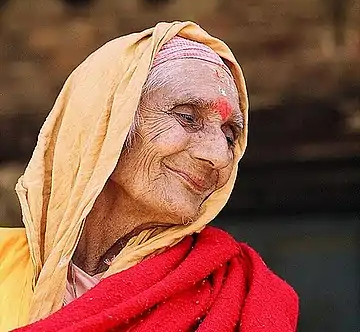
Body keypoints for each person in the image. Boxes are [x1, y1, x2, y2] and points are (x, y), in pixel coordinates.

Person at [0, 21, 298, 332]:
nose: (219, 156)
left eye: (229, 134)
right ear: (103, 123)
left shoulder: (238, 291)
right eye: (187, 117)